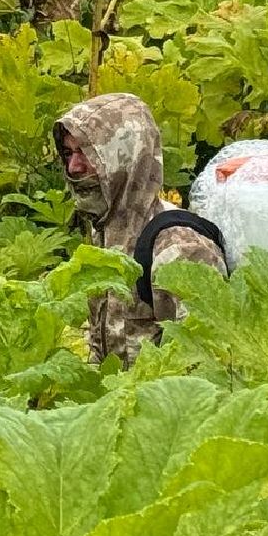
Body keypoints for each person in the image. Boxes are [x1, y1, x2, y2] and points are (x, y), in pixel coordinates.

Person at [54, 92, 227, 364]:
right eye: (68, 153)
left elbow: (204, 362)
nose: (74, 167)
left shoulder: (179, 247)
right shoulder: (105, 233)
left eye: (86, 154)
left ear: (122, 158)